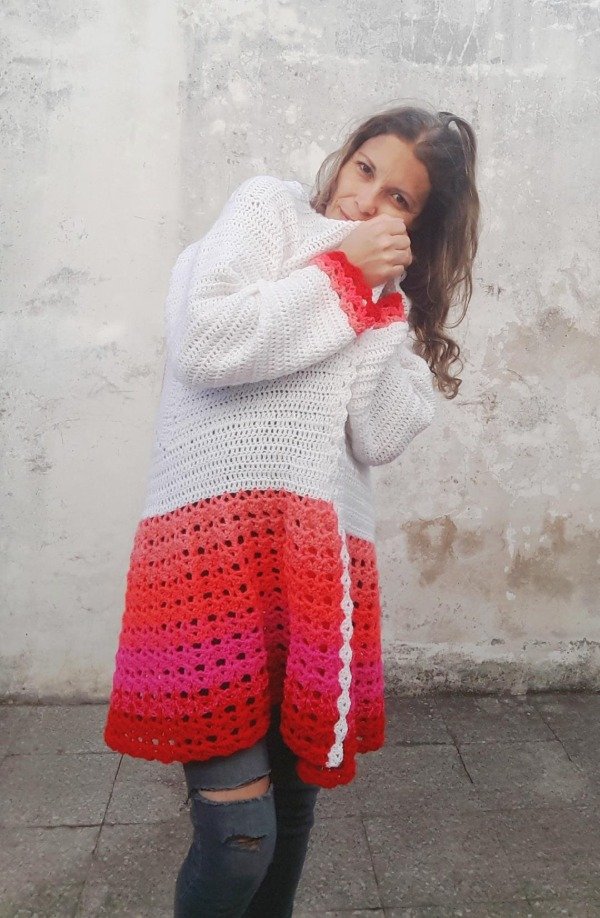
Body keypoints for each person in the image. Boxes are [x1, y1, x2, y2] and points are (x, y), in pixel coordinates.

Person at [103, 103, 480, 917]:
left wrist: (384, 304)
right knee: (239, 838)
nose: (366, 199)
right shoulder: (267, 208)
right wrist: (342, 272)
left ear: (416, 226)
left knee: (293, 814)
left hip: (315, 572)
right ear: (345, 158)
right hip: (211, 557)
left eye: (399, 198)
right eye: (365, 169)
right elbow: (207, 341)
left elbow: (377, 433)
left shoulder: (382, 297)